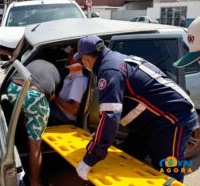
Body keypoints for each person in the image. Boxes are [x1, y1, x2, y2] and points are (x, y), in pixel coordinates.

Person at [73, 35, 199, 182]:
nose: (82, 62)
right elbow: (114, 109)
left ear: (87, 57)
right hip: (152, 122)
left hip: (173, 118)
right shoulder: (113, 60)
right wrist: (100, 133)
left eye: (81, 58)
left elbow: (110, 116)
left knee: (169, 169)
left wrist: (90, 158)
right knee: (129, 155)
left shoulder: (110, 70)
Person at [7, 59, 60, 186]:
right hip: (35, 96)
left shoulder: (34, 61)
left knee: (24, 112)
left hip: (13, 89)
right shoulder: (58, 75)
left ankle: (25, 135)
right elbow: (51, 97)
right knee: (35, 145)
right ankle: (35, 182)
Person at [49, 48, 88, 125]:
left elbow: (74, 110)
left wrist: (55, 98)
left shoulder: (78, 81)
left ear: (81, 61)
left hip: (64, 117)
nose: (68, 60)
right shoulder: (71, 75)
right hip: (58, 109)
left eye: (72, 58)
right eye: (69, 57)